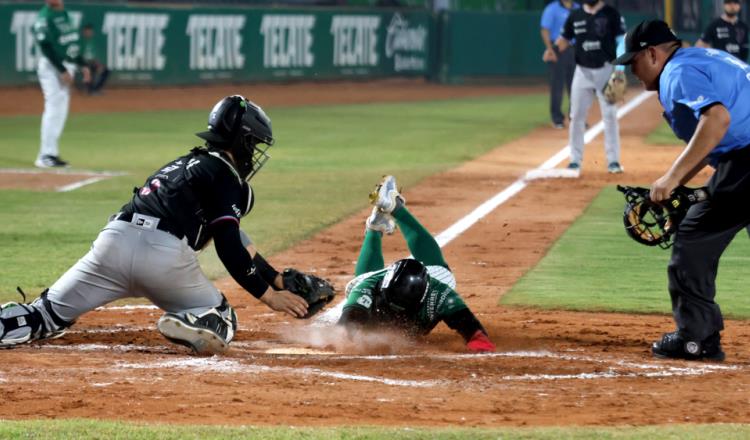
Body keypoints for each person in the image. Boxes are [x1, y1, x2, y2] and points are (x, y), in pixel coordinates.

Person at [0, 95, 313, 355]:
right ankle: (198, 321)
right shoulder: (226, 175)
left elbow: (236, 237)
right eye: (254, 144)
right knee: (224, 316)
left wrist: (274, 277)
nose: (254, 152)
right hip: (164, 260)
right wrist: (269, 296)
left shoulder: (182, 164)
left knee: (44, 314)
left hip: (112, 245)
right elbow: (228, 244)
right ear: (243, 140)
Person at [613, 19, 750, 361]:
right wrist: (697, 191)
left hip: (746, 158)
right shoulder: (704, 58)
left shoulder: (676, 74)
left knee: (694, 238)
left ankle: (697, 339)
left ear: (653, 54)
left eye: (634, 62)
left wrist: (672, 180)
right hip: (743, 161)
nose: (633, 70)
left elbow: (717, 120)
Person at [337, 176, 496, 353]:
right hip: (373, 305)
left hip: (427, 290)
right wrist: (344, 338)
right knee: (359, 284)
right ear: (385, 285)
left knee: (442, 273)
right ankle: (388, 216)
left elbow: (472, 329)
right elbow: (346, 324)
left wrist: (480, 345)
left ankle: (380, 223)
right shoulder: (367, 287)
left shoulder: (440, 294)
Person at [555, 0, 627, 174]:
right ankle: (575, 160)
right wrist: (552, 50)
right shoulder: (575, 15)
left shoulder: (612, 13)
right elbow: (564, 39)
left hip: (606, 69)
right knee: (576, 116)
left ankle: (613, 161)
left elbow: (622, 43)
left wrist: (619, 70)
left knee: (609, 116)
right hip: (582, 72)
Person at [33, 0, 90, 168]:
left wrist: (82, 64)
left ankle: (51, 153)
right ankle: (45, 155)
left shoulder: (64, 14)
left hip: (66, 65)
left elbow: (70, 44)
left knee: (60, 112)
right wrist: (62, 69)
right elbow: (45, 46)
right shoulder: (45, 17)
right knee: (53, 109)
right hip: (53, 67)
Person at [540, 0, 579, 129]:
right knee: (557, 85)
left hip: (575, 49)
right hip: (558, 50)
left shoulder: (578, 8)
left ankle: (576, 117)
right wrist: (550, 49)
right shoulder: (552, 8)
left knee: (577, 86)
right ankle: (557, 119)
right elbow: (545, 29)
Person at [79, 23, 110, 95]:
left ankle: (96, 89)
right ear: (84, 32)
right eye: (87, 32)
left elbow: (94, 56)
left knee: (106, 70)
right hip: (82, 63)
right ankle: (89, 90)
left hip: (91, 63)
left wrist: (99, 65)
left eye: (90, 32)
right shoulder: (80, 42)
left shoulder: (92, 41)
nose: (89, 33)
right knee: (88, 68)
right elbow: (80, 56)